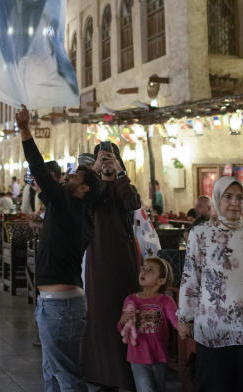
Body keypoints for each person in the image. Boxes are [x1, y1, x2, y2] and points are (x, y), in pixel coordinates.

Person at [177, 176, 243, 390]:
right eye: (228, 196)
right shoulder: (200, 233)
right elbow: (191, 276)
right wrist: (185, 317)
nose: (235, 202)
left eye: (240, 197)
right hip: (215, 328)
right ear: (217, 199)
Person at [18, 105, 95, 392]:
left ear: (84, 190)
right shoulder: (76, 212)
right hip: (59, 303)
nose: (67, 175)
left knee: (66, 376)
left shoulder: (66, 205)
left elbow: (38, 169)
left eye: (75, 176)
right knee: (53, 372)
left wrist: (25, 130)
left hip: (59, 306)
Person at [84, 141, 141, 392]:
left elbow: (132, 203)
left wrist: (118, 173)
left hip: (123, 256)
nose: (106, 162)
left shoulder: (123, 184)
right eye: (101, 158)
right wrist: (95, 171)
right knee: (101, 310)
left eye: (109, 157)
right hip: (98, 256)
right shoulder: (90, 187)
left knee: (123, 308)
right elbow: (85, 201)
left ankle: (126, 372)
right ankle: (101, 371)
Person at [119, 257, 179, 392]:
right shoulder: (130, 300)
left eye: (150, 270)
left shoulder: (166, 300)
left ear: (161, 281)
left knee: (158, 388)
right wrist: (123, 319)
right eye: (143, 268)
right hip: (137, 357)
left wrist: (184, 328)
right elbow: (123, 328)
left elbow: (176, 321)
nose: (144, 272)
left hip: (159, 355)